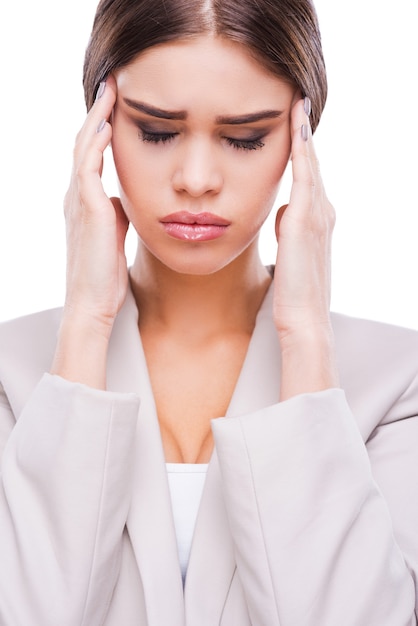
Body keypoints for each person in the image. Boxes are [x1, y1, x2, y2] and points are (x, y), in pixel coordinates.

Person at [0, 0, 417, 623]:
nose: (196, 179)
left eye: (245, 137)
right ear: (99, 126)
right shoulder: (9, 374)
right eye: (157, 131)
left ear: (301, 138)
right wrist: (85, 322)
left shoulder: (400, 383)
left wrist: (306, 336)